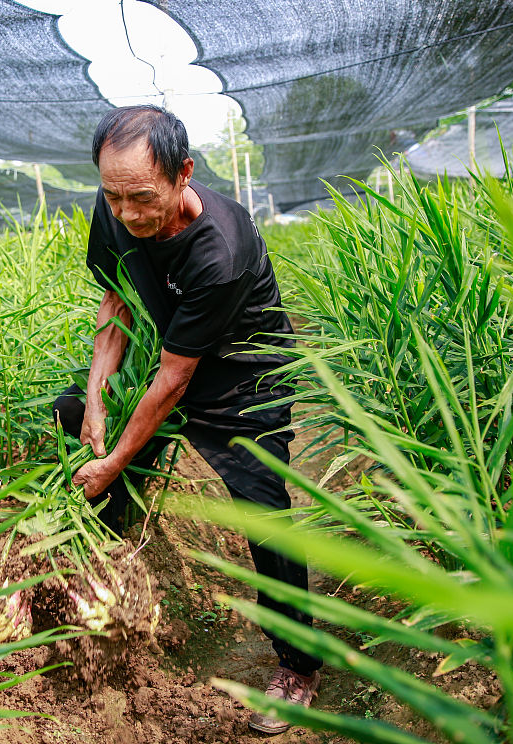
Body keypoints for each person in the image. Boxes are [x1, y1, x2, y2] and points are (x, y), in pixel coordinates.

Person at [53, 105, 321, 735]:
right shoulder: (115, 205)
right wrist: (96, 396)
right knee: (69, 413)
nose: (127, 214)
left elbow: (174, 381)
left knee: (263, 513)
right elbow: (116, 296)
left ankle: (299, 665)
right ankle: (114, 569)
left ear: (183, 175)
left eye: (142, 198)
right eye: (114, 197)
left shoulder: (220, 248)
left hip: (241, 377)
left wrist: (116, 456)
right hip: (170, 350)